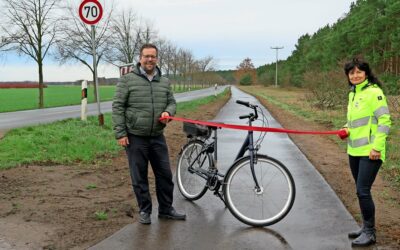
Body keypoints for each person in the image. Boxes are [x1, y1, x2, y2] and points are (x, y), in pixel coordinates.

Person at [112, 43, 186, 225]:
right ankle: (145, 210)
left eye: (153, 56)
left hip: (157, 136)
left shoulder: (164, 81)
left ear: (157, 59)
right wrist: (121, 133)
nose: (150, 59)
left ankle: (166, 209)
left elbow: (172, 102)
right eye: (146, 56)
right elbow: (118, 107)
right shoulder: (127, 80)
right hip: (135, 136)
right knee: (139, 176)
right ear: (140, 58)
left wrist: (169, 112)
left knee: (165, 175)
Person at [338, 58, 391, 247]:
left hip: (371, 152)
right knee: (360, 191)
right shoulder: (352, 94)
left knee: (363, 190)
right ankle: (365, 226)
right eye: (351, 73)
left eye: (359, 72)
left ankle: (370, 232)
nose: (355, 75)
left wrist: (377, 147)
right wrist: (345, 129)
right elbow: (355, 122)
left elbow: (384, 121)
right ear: (348, 76)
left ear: (366, 74)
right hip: (354, 149)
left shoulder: (374, 93)